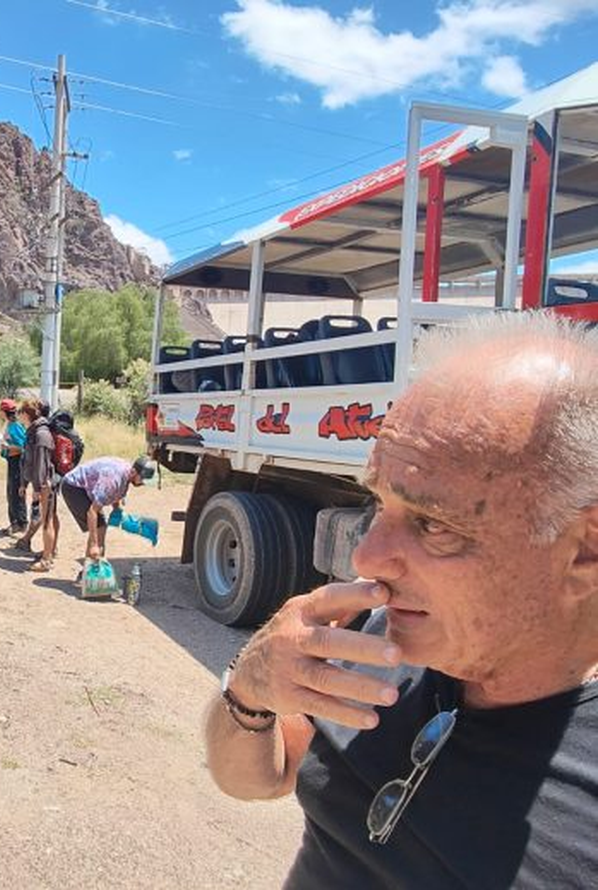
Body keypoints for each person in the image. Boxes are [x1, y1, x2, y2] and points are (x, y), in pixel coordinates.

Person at [203, 313, 598, 887]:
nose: (366, 559)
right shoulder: (389, 636)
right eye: (378, 505)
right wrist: (249, 692)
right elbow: (261, 775)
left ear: (584, 548)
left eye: (434, 525)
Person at [58, 455, 155, 567]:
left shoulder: (126, 473)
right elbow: (92, 512)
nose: (142, 483)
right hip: (73, 487)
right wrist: (94, 545)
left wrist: (116, 508)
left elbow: (118, 490)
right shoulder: (112, 481)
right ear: (134, 472)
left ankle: (93, 568)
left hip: (87, 487)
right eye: (142, 479)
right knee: (99, 528)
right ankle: (89, 570)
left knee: (101, 527)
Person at [20, 400, 60, 572]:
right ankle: (51, 550)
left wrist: (38, 487)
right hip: (45, 483)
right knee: (51, 517)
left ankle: (46, 560)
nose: (19, 415)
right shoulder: (36, 432)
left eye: (21, 412)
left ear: (28, 414)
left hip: (45, 484)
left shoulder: (41, 434)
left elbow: (41, 464)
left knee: (47, 521)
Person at [0, 398, 27, 535]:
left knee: (15, 492)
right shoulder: (11, 424)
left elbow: (22, 447)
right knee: (11, 491)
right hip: (12, 461)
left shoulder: (15, 426)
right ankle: (16, 522)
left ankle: (19, 523)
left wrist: (8, 447)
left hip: (17, 463)